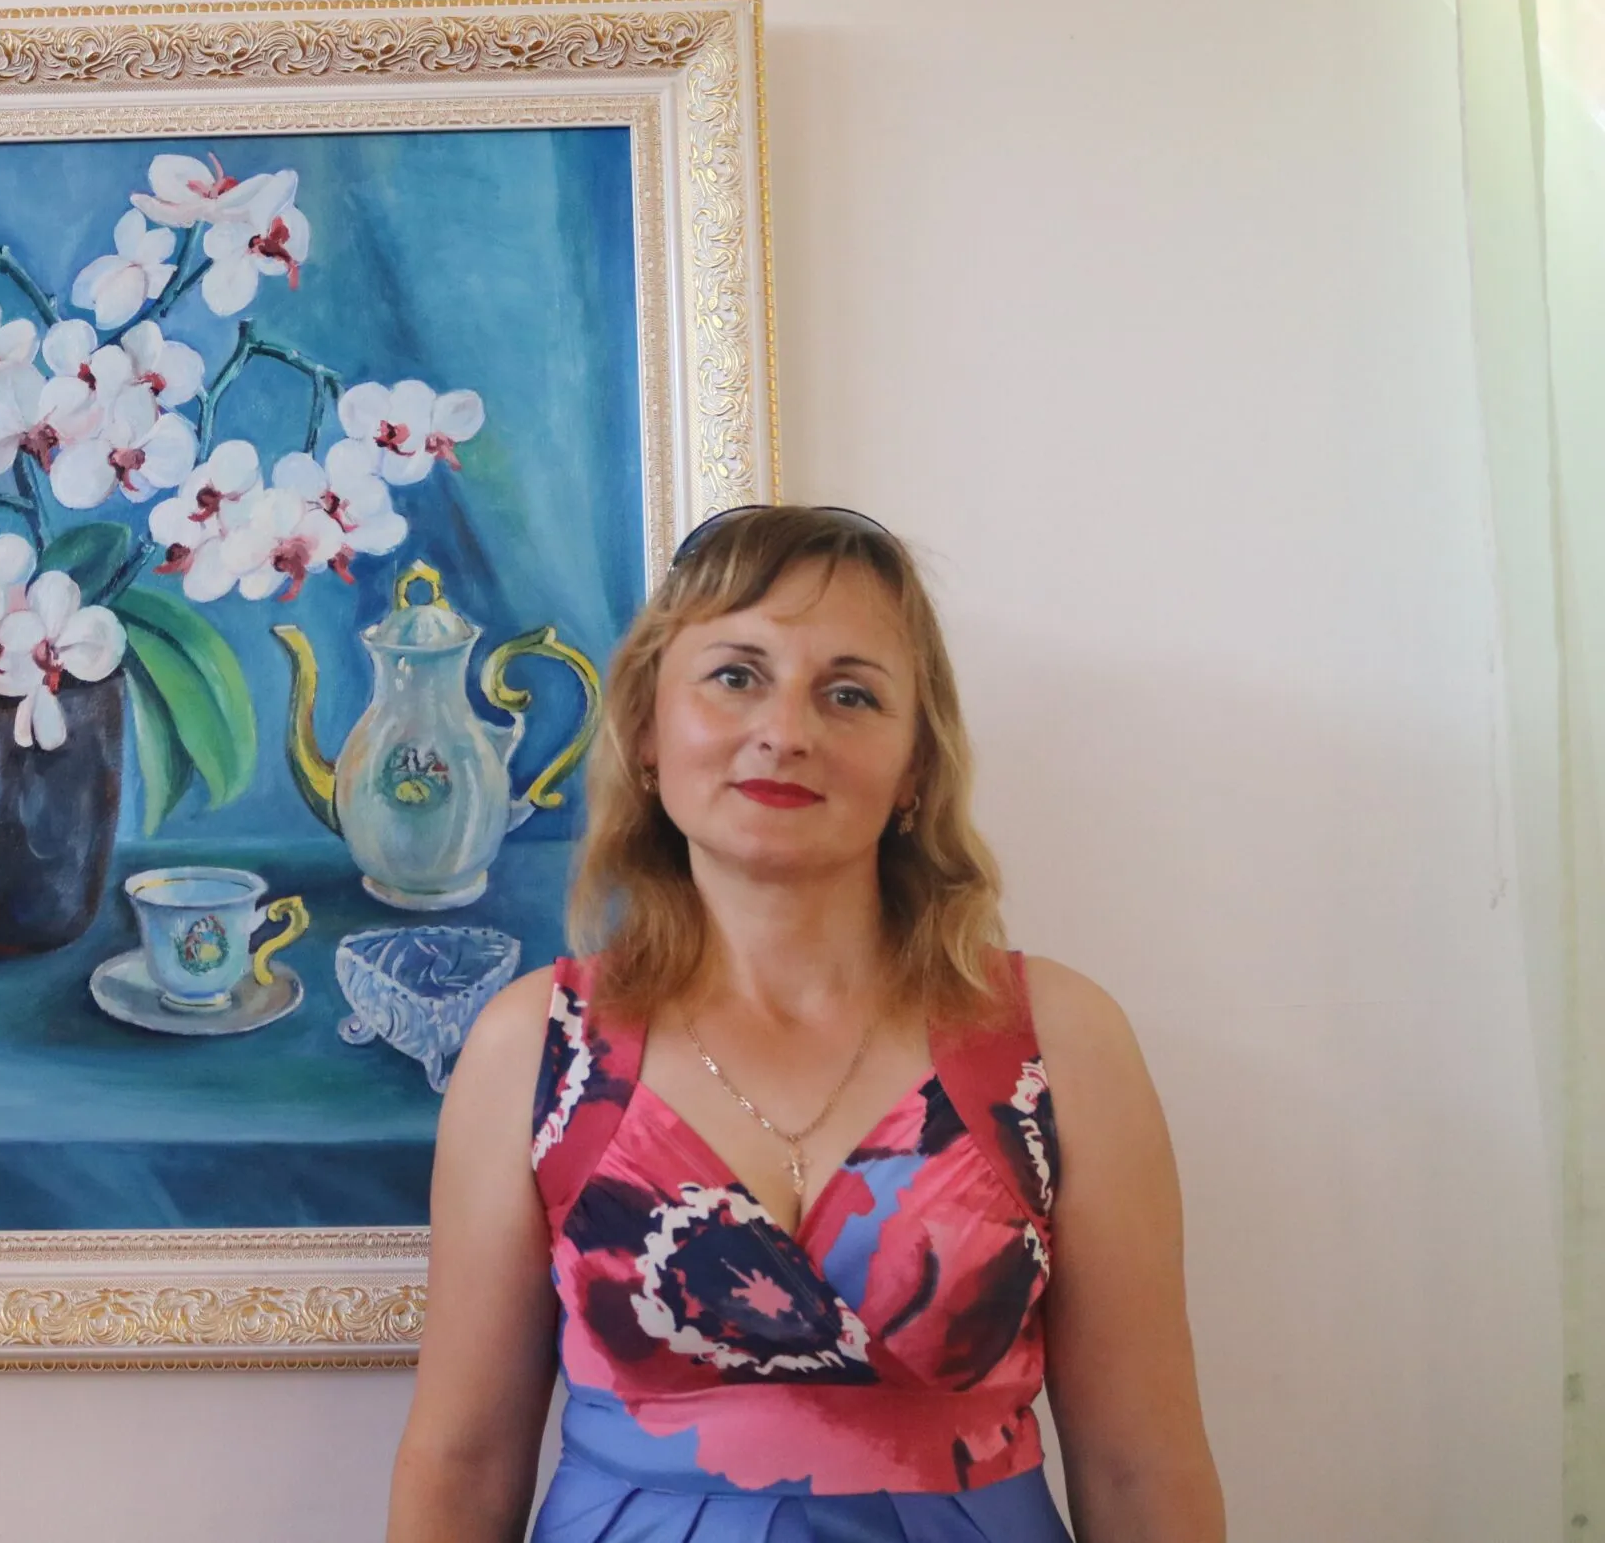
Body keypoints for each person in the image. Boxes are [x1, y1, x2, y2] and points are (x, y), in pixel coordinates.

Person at [385, 506, 1224, 1542]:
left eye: (849, 693)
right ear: (647, 733)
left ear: (916, 768)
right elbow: (462, 1467)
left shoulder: (1058, 1043)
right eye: (736, 675)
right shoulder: (533, 1047)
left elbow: (1143, 1472)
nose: (786, 731)